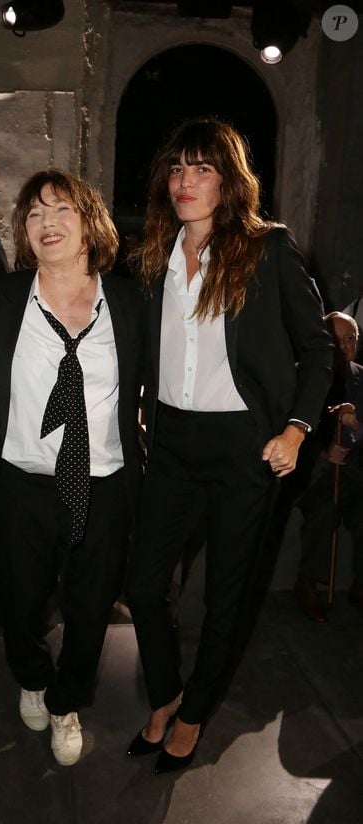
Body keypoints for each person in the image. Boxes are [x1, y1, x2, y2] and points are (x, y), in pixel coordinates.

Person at [124, 117, 333, 774]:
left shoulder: (266, 248)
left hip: (246, 443)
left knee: (226, 594)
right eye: (177, 169)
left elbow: (319, 345)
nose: (185, 182)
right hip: (173, 441)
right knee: (143, 580)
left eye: (202, 168)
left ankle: (192, 713)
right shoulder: (154, 256)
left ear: (229, 180)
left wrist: (297, 428)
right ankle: (165, 694)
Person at [0, 169, 144, 767]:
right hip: (21, 481)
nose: (47, 223)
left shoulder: (128, 301)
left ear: (89, 222)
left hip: (104, 482)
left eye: (62, 209)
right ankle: (31, 674)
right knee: (18, 603)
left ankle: (67, 700)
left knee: (91, 604)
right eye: (34, 213)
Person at [294, 312, 363, 622]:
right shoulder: (305, 375)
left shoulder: (362, 377)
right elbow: (288, 427)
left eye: (351, 339)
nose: (346, 346)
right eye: (339, 340)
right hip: (315, 476)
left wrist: (357, 424)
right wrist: (324, 451)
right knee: (324, 510)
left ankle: (360, 584)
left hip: (356, 474)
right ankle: (306, 582)